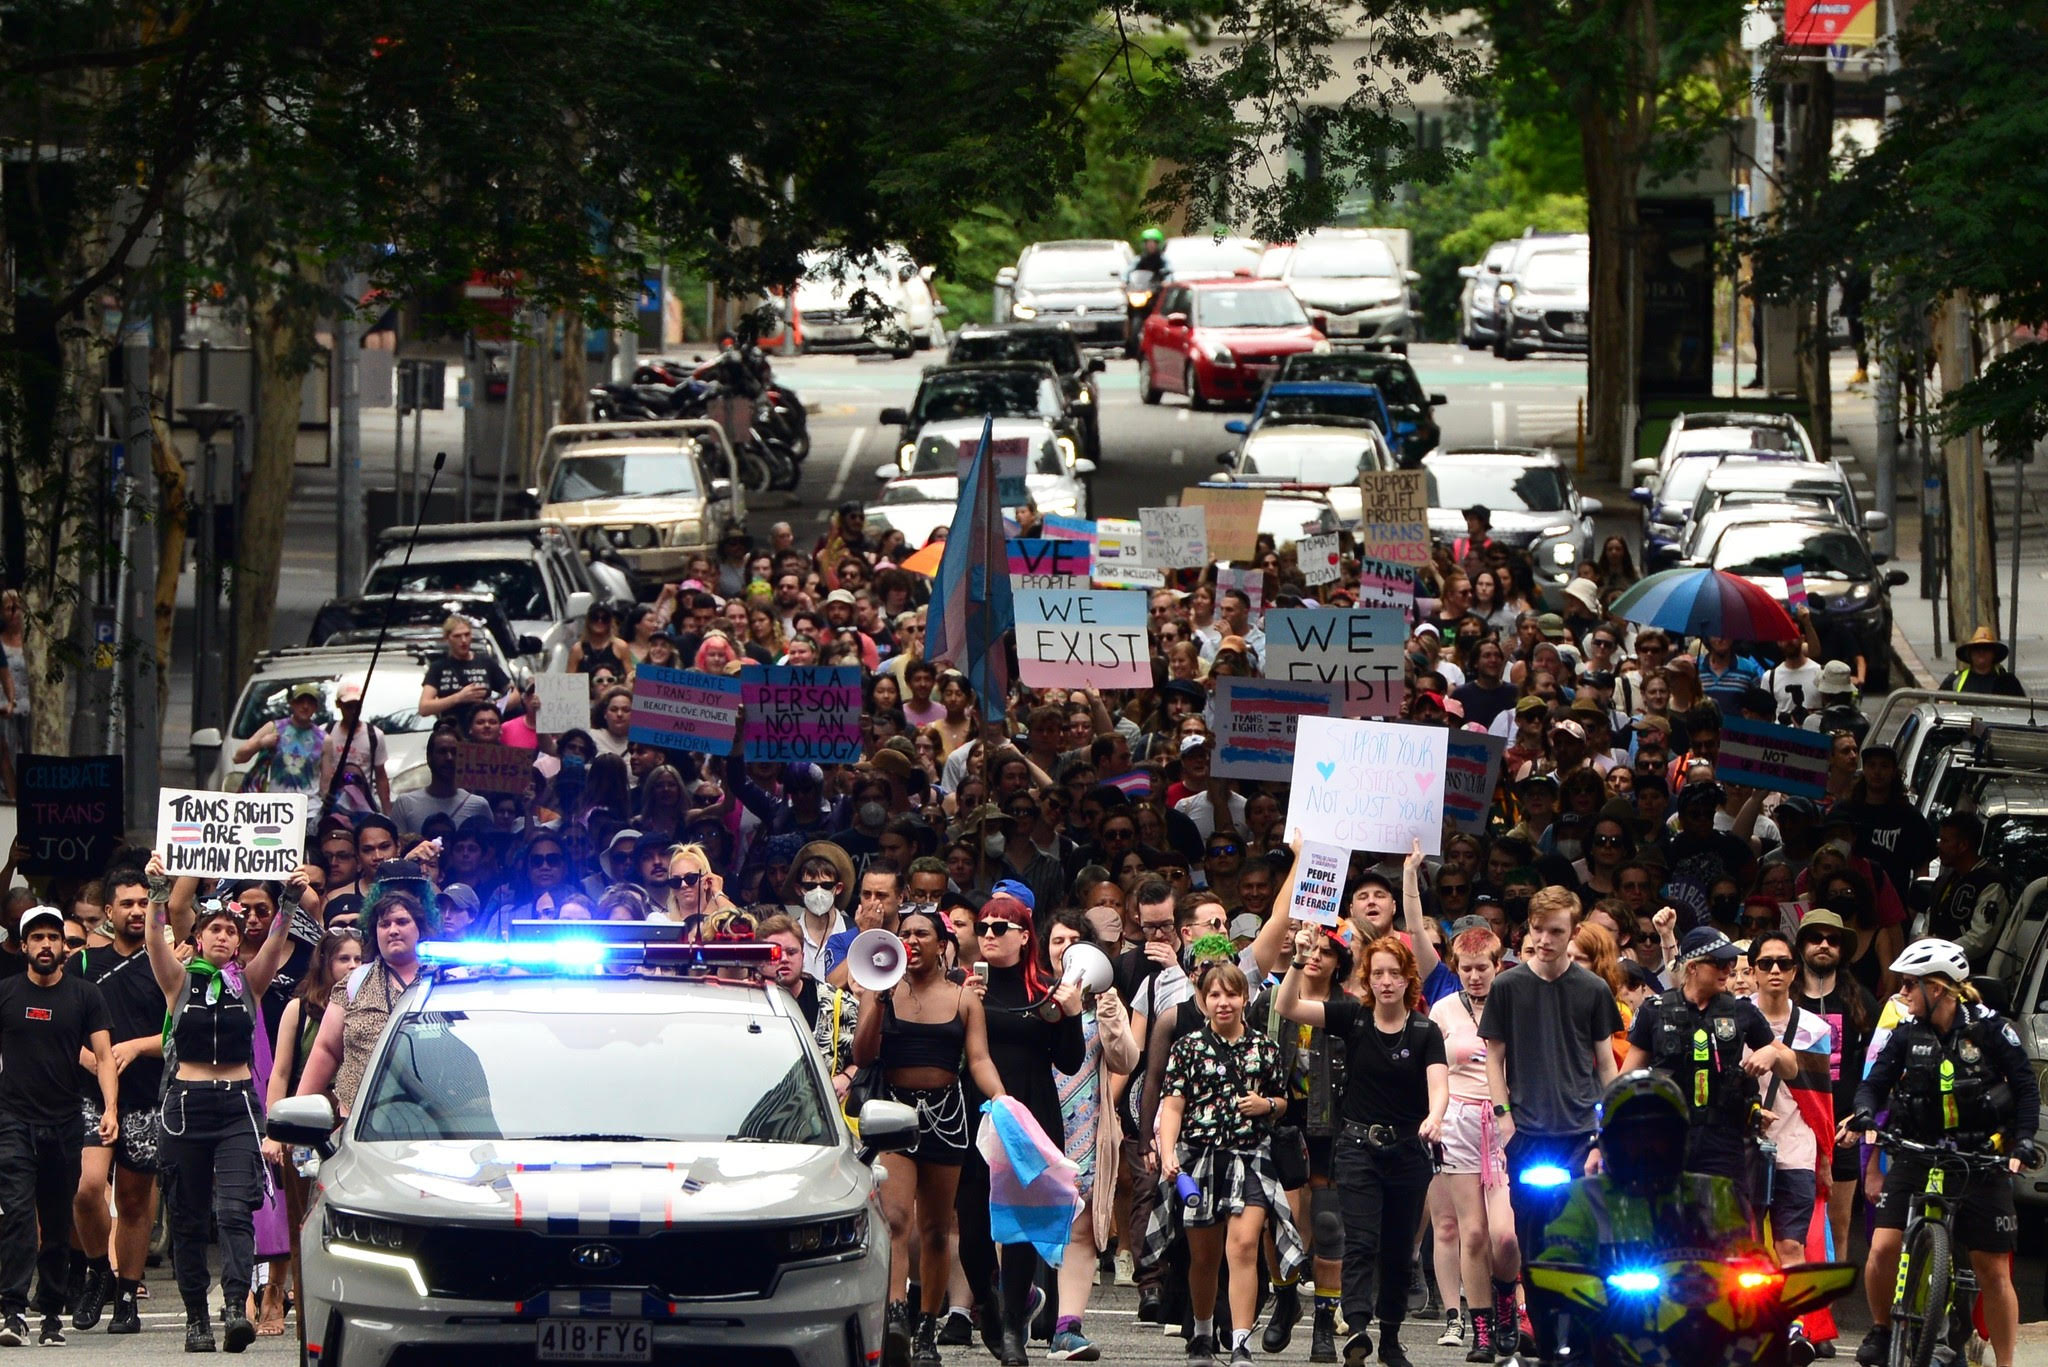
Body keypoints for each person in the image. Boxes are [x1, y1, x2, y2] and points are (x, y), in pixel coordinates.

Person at [1844, 939, 2041, 1367]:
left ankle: (2005, 1362)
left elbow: (2026, 1089)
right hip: (1918, 1150)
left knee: (1993, 1271)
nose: (1902, 995)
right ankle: (1881, 1330)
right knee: (1882, 1248)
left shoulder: (1991, 1029)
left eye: (1909, 986)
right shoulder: (1905, 1032)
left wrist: (2023, 1141)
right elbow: (1874, 1083)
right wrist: (1862, 1112)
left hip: (1980, 1159)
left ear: (1937, 989)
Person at [142, 861, 297, 1354]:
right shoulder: (179, 981)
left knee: (234, 1211)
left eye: (232, 931)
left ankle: (234, 1308)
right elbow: (152, 940)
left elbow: (274, 945)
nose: (226, 936)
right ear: (200, 935)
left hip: (235, 1107)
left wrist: (289, 903)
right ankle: (195, 1318)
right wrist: (157, 892)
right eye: (216, 929)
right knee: (187, 1218)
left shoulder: (248, 984)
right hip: (185, 1108)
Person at [1277, 933, 1448, 1367]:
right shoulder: (1354, 1017)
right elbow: (1288, 1007)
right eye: (1378, 974)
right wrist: (1298, 961)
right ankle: (1355, 1327)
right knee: (1359, 1240)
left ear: (1408, 978)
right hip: (1357, 1145)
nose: (1387, 982)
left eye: (1394, 973)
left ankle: (1389, 1337)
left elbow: (1439, 1084)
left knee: (1397, 1248)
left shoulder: (1426, 1030)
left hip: (1408, 1147)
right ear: (1368, 980)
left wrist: (1434, 1117)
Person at [849, 906, 1005, 1367]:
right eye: (904, 935)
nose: (912, 941)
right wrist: (877, 1000)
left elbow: (977, 1060)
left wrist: (1003, 1099)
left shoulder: (963, 999)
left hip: (946, 1119)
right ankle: (896, 1312)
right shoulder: (881, 992)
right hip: (894, 1115)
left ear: (942, 944)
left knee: (937, 1231)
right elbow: (862, 1051)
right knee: (897, 1218)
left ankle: (925, 1326)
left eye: (922, 934)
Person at [1478, 886, 1621, 1351]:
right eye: (1537, 929)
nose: (1543, 939)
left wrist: (1608, 1131)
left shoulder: (1593, 990)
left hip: (1582, 1132)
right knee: (1533, 1244)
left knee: (1584, 1242)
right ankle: (1540, 1336)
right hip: (1528, 1134)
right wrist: (1504, 1120)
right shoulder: (1507, 985)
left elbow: (1606, 1065)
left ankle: (1584, 1336)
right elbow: (1493, 1059)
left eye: (1555, 931)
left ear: (1573, 932)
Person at [1532, 1073, 1760, 1355]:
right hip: (1607, 1338)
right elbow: (1558, 1262)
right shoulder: (1584, 1196)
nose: (1646, 1147)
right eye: (1633, 1137)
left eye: (1658, 1136)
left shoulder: (1715, 1191)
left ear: (1679, 1139)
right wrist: (1573, 1279)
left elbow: (1745, 1251)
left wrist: (1757, 1269)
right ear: (1611, 1142)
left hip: (1710, 1331)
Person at [955, 896, 1084, 1367]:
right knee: (971, 1229)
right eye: (983, 926)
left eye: (1000, 927)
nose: (988, 934)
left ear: (1025, 935)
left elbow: (1068, 1061)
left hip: (1031, 1110)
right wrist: (963, 1000)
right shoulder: (967, 986)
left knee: (1022, 1229)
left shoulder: (1046, 990)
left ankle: (1012, 1327)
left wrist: (1071, 1015)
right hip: (977, 1112)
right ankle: (998, 1304)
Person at [1157, 960, 1303, 1367]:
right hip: (1200, 1158)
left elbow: (1284, 1101)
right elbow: (1173, 1106)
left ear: (1245, 998)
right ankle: (1203, 1333)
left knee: (1243, 1247)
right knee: (1204, 1256)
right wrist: (1168, 1152)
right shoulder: (1186, 1048)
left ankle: (1241, 1341)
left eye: (1232, 994)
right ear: (1202, 1001)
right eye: (1214, 995)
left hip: (1250, 1158)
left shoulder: (1264, 1047)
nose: (1223, 1003)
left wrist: (1266, 1104)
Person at [0, 907, 117, 1348]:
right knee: (16, 1214)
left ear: (64, 947)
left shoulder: (85, 996)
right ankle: (12, 1310)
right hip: (12, 1118)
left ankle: (49, 1311)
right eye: (38, 938)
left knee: (55, 1218)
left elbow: (104, 1057)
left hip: (66, 1119)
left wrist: (110, 1108)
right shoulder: (6, 993)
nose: (47, 944)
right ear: (24, 945)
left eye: (54, 937)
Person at [66, 870, 168, 1337]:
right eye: (126, 903)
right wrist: (94, 1061)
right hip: (90, 1096)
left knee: (132, 1201)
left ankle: (126, 1294)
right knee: (87, 1188)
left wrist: (135, 1047)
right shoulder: (84, 963)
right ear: (108, 912)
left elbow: (180, 1030)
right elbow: (62, 1028)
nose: (135, 910)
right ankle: (95, 1269)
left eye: (143, 902)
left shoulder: (164, 962)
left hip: (145, 1096)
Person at [1621, 927, 1793, 1199]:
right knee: (1665, 1226)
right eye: (1719, 963)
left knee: (1728, 1230)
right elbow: (1623, 1081)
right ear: (1693, 966)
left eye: (1731, 962)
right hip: (1666, 1138)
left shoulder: (1742, 1011)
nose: (1728, 969)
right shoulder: (1654, 1011)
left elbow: (1791, 1066)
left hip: (1723, 1140)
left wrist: (1773, 1054)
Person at [1044, 911, 1140, 1363]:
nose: (1063, 947)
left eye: (1073, 940)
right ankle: (1019, 1302)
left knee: (1081, 1230)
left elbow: (1124, 1060)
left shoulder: (1105, 1002)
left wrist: (1111, 1015)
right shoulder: (1034, 995)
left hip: (1085, 1128)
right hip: (1038, 1123)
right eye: (1056, 940)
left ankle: (1068, 1328)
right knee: (1022, 1223)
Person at [1428, 923, 1516, 1363]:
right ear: (1456, 968)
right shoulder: (1443, 1010)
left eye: (1483, 967)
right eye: (1466, 968)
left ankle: (1506, 1301)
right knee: (1473, 1232)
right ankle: (1481, 1328)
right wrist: (1434, 1117)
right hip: (1458, 1121)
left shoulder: (1515, 1003)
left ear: (1499, 965)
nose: (1475, 976)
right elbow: (1430, 1069)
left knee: (1505, 1235)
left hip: (1504, 1123)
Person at [391, 728, 494, 834]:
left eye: (455, 752)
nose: (449, 758)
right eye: (442, 752)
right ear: (429, 757)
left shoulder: (479, 805)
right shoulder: (405, 804)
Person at [419, 614, 510, 719]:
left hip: (483, 729)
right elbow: (424, 708)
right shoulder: (438, 667)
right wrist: (459, 697)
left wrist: (495, 706)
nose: (463, 640)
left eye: (467, 635)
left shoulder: (486, 662)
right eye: (457, 636)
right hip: (453, 730)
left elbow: (514, 693)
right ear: (447, 639)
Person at [1937, 626, 2026, 698]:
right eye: (1977, 649)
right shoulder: (1954, 680)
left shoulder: (2008, 683)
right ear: (1970, 654)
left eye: (1986, 648)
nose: (1981, 652)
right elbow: (1938, 705)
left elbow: (2021, 711)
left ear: (1994, 654)